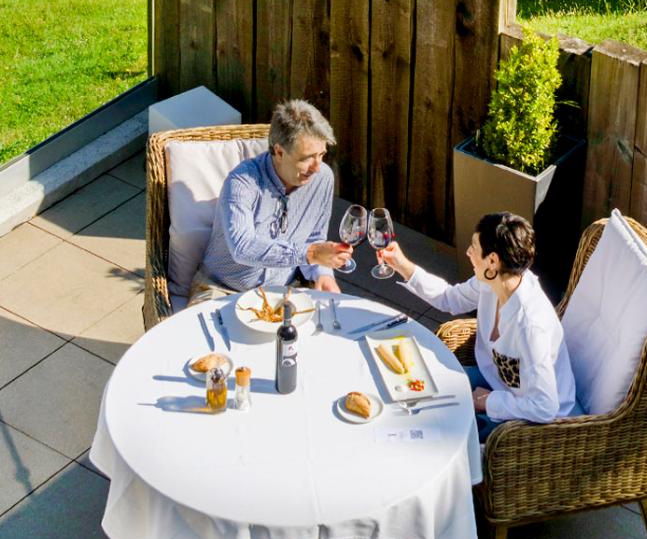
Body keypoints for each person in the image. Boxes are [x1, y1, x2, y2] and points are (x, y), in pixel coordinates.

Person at [379, 212, 578, 441]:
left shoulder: (531, 325)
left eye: (473, 247)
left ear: (492, 261)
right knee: (420, 388)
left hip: (531, 423)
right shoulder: (492, 280)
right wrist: (402, 265)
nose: (468, 253)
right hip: (495, 383)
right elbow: (449, 298)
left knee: (437, 432)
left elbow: (545, 407)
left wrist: (488, 401)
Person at [190, 99, 352, 304]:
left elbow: (314, 235)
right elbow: (243, 248)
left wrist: (323, 273)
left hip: (285, 290)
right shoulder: (242, 181)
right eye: (307, 158)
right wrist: (311, 254)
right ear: (279, 152)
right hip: (222, 287)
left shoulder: (323, 178)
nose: (317, 167)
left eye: (321, 155)